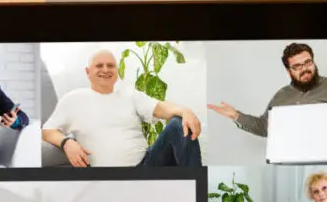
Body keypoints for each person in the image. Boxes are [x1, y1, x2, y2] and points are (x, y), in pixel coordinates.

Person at [29, 48, 204, 172]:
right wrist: (67, 143)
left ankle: (195, 190)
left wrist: (184, 110)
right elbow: (47, 130)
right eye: (99, 66)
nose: (105, 70)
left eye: (110, 66)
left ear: (117, 71)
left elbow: (161, 107)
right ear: (88, 72)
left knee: (177, 124)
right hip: (107, 177)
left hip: (146, 166)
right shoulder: (73, 99)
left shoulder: (129, 94)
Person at [209, 41, 327, 165]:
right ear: (288, 71)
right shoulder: (281, 97)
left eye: (308, 62)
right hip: (289, 168)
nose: (305, 69)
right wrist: (236, 116)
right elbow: (265, 127)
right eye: (297, 66)